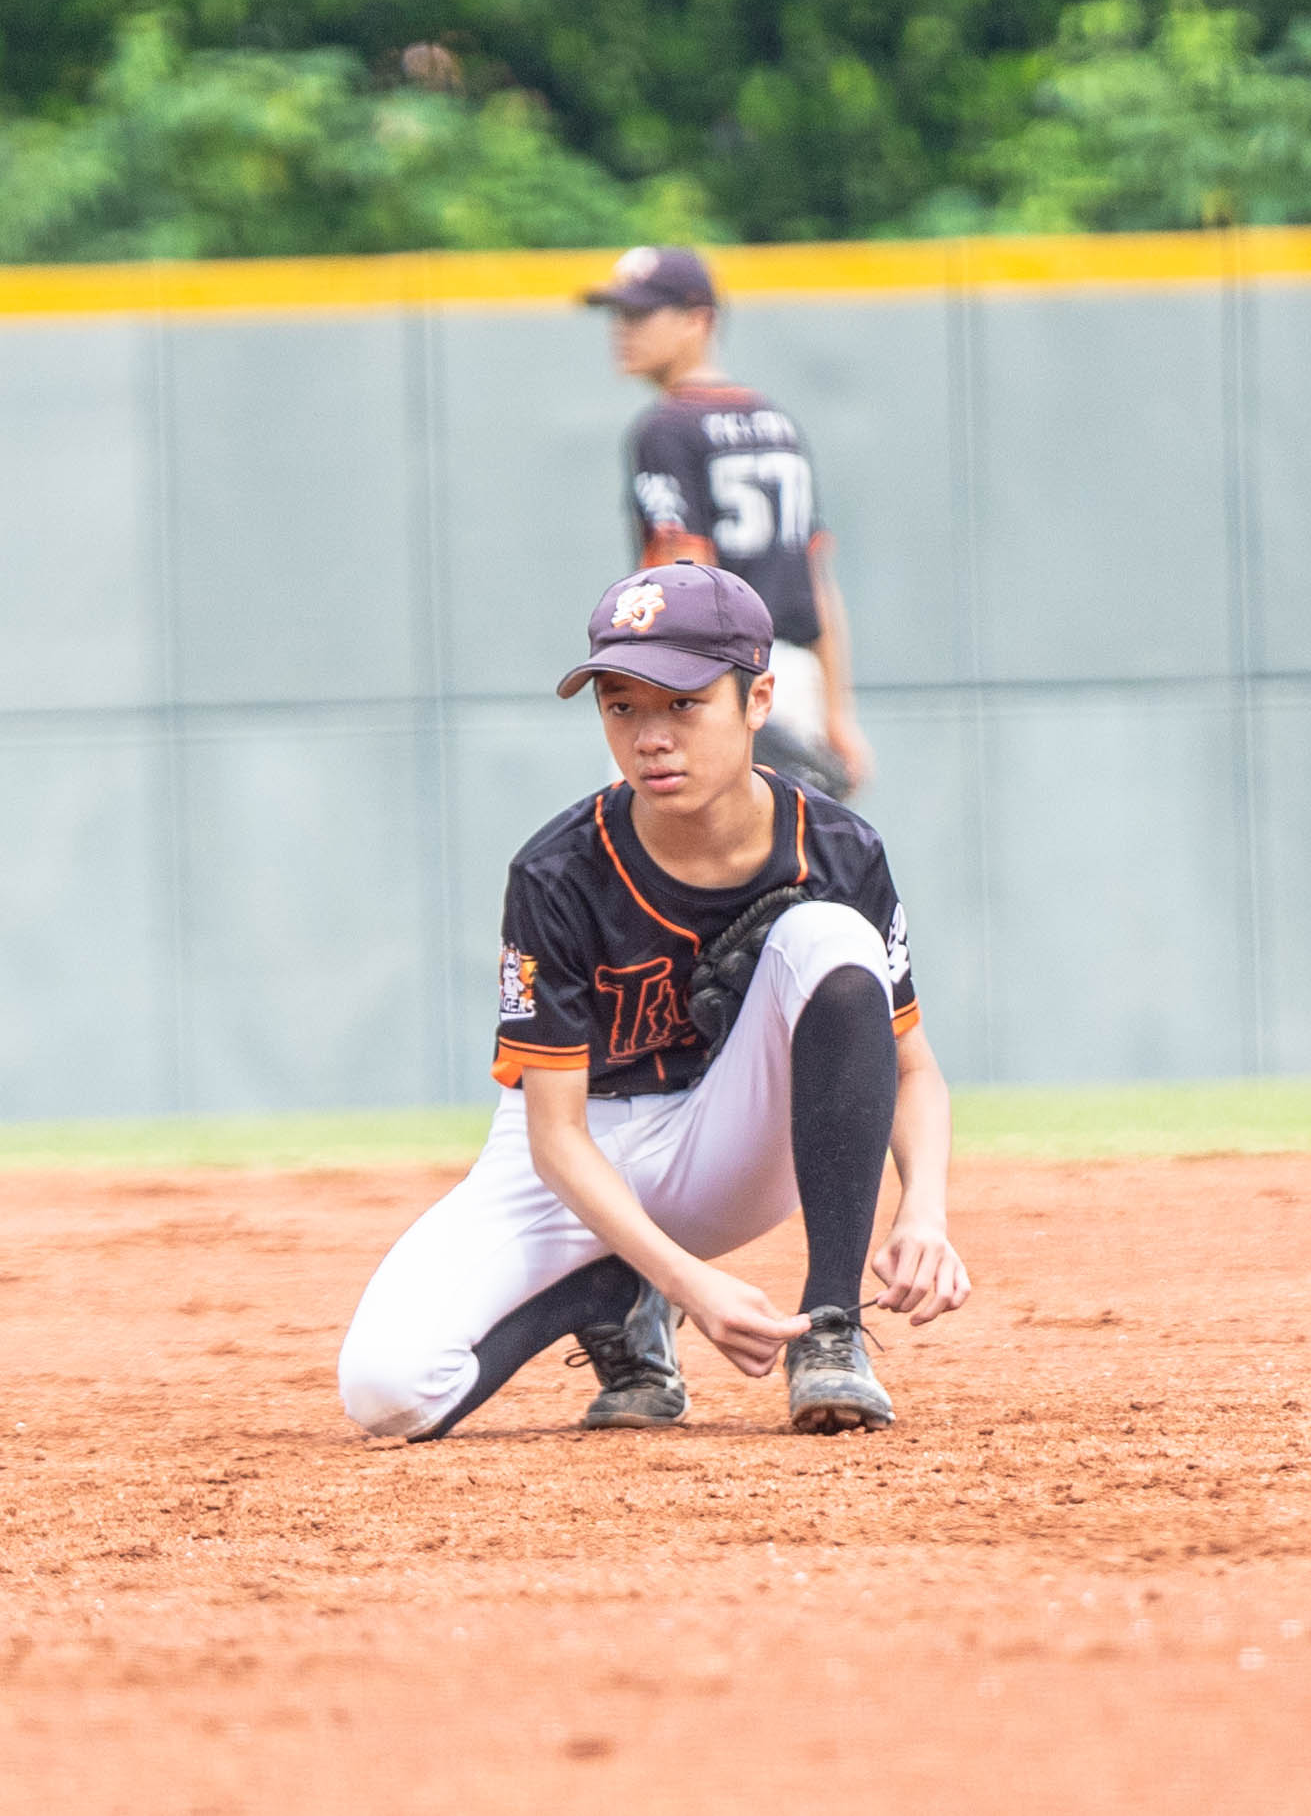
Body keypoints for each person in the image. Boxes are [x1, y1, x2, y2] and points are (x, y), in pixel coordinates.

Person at [334, 564, 966, 1441]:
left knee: (832, 937)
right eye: (622, 705)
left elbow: (913, 1069)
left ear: (758, 699)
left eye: (683, 703)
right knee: (386, 1390)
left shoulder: (836, 846)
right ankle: (607, 1293)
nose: (651, 737)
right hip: (576, 1155)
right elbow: (554, 1137)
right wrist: (682, 1281)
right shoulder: (557, 872)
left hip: (733, 1138)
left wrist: (924, 1207)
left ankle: (830, 1329)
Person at [584, 244, 873, 800]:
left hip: (709, 681)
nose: (622, 330)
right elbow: (815, 582)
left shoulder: (666, 429)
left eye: (641, 314)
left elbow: (686, 579)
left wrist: (682, 702)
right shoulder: (775, 422)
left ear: (698, 320)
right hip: (789, 680)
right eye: (618, 314)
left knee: (642, 845)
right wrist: (838, 714)